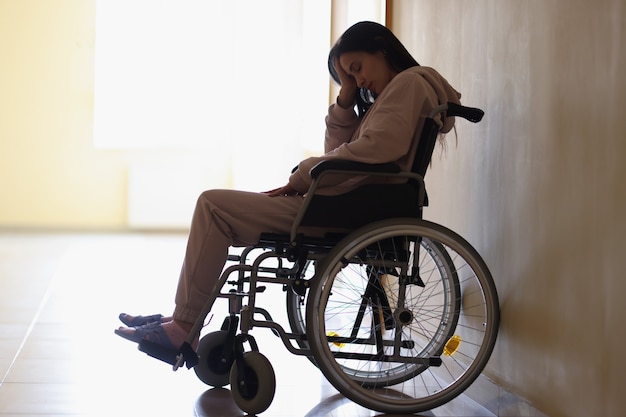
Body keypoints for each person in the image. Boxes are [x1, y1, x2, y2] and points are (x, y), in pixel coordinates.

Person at [115, 21, 461, 352]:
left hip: (343, 208)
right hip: (347, 203)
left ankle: (182, 326)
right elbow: (347, 153)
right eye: (351, 76)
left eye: (357, 68)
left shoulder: (408, 84)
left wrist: (302, 175)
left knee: (213, 206)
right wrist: (345, 99)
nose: (359, 80)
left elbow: (374, 150)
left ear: (380, 48)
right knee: (217, 210)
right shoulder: (402, 90)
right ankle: (181, 320)